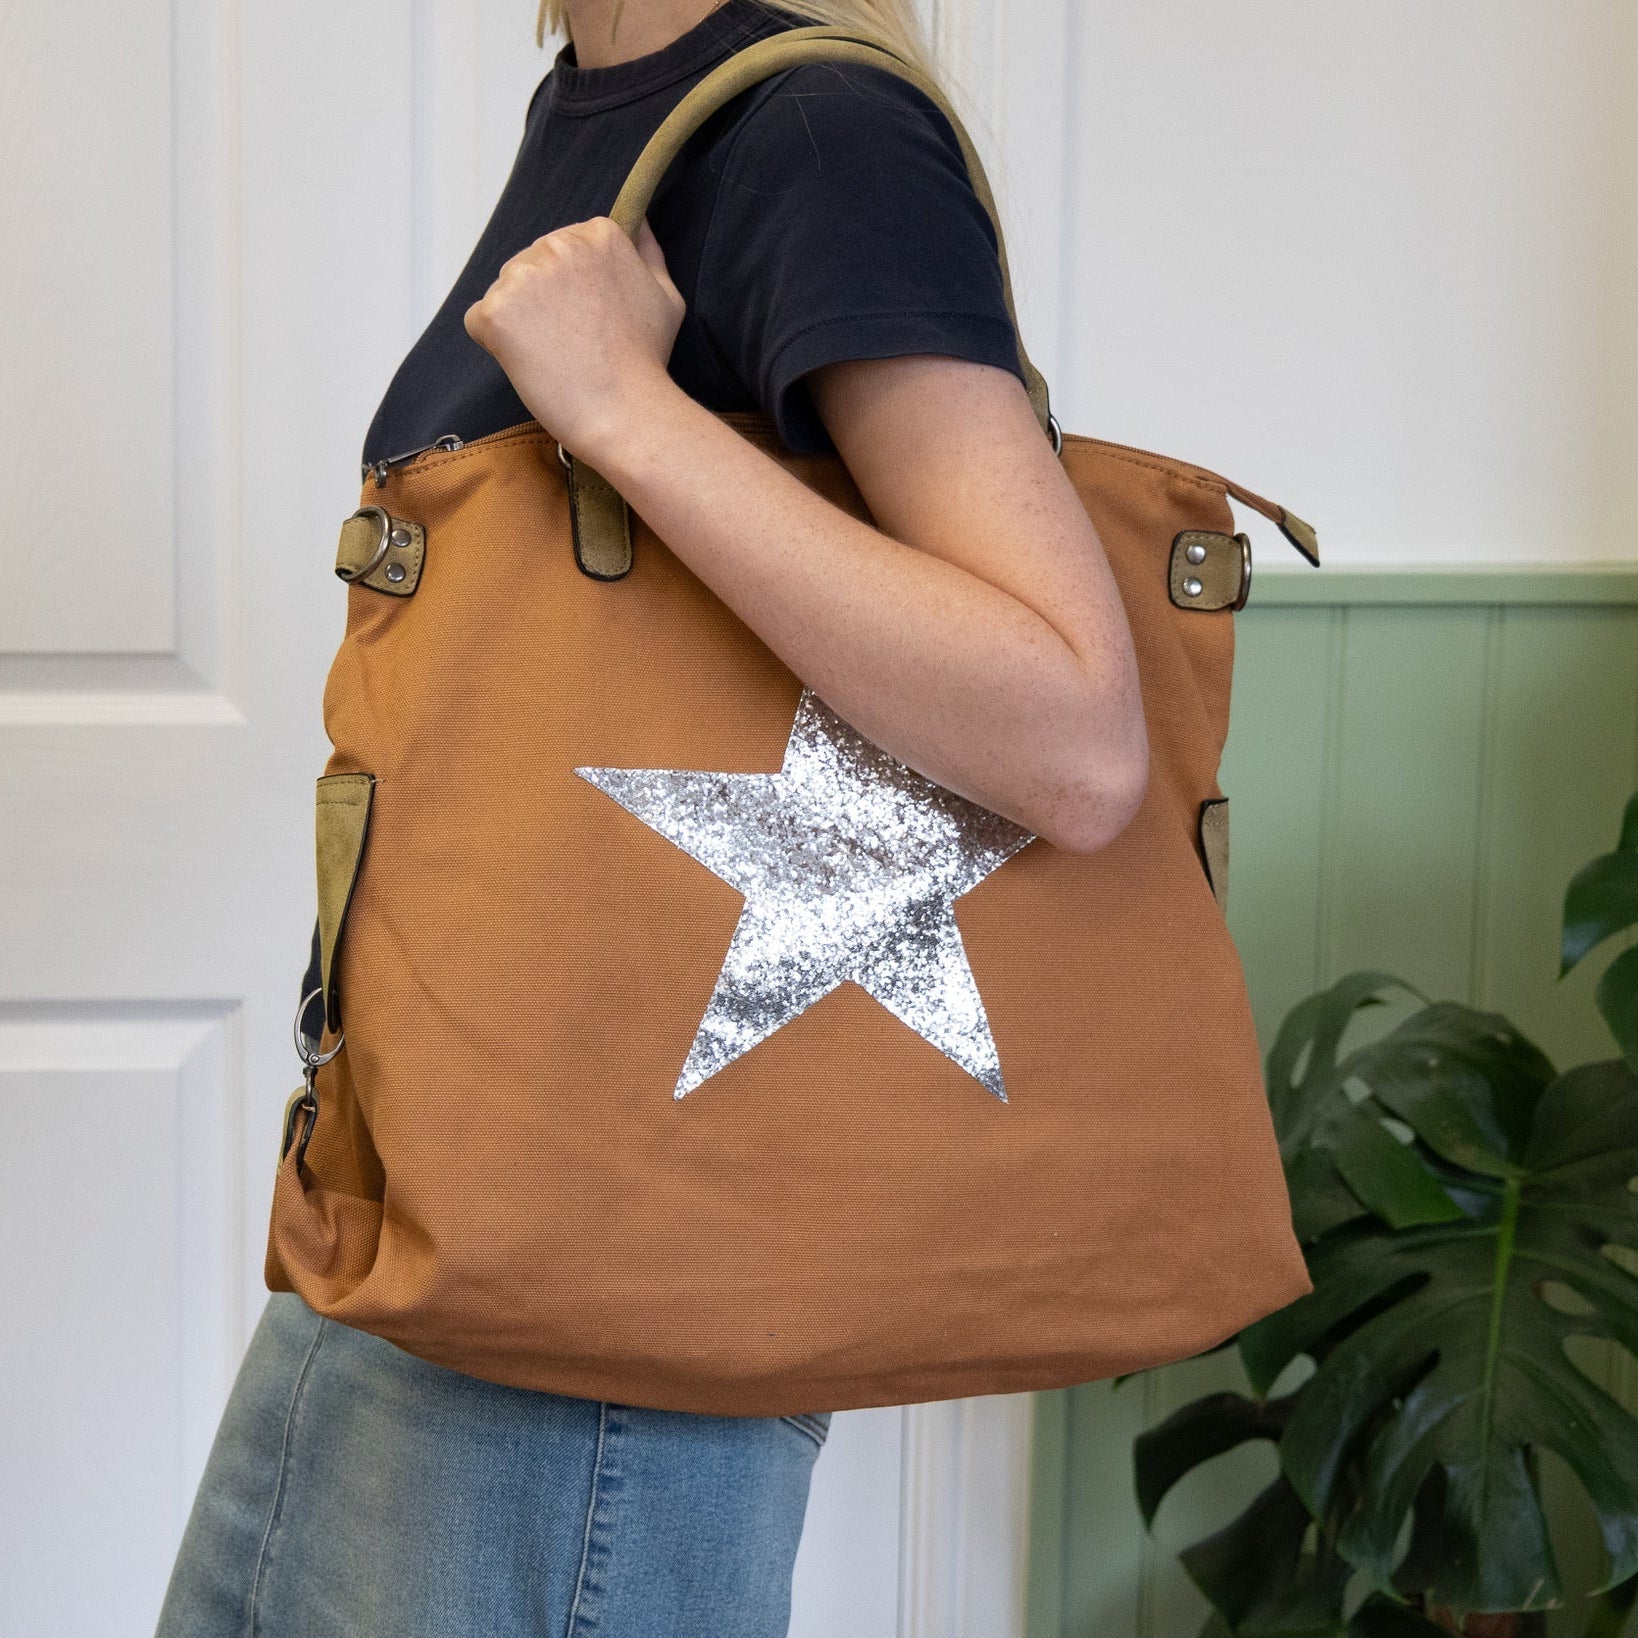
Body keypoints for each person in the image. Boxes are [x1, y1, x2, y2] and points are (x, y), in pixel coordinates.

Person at [155, 1, 1147, 1633]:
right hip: (424, 1203)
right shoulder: (604, 106)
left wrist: (624, 410)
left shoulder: (814, 130)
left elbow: (1072, 729)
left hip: (604, 1282)